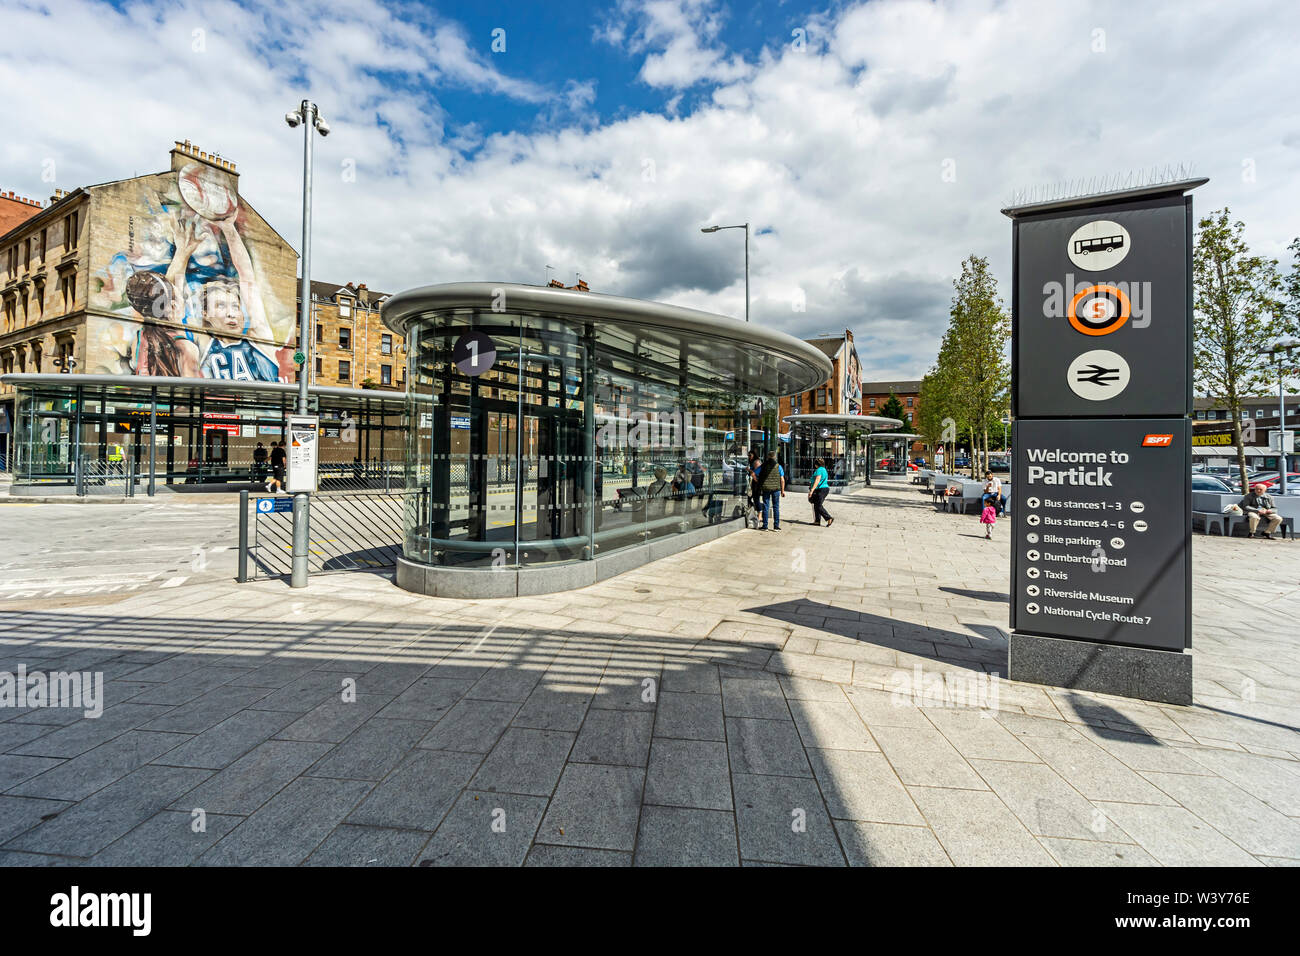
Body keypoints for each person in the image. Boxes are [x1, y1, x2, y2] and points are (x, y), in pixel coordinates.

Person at [755, 450, 785, 530]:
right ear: (775, 457)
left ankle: (765, 526)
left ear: (768, 456)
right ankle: (776, 526)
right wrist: (782, 491)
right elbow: (782, 479)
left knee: (766, 506)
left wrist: (758, 481)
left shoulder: (763, 465)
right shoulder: (778, 466)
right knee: (776, 507)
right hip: (776, 489)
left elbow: (755, 473)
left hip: (766, 488)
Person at [809, 456, 834, 527]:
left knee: (818, 506)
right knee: (816, 505)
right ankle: (817, 520)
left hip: (821, 489)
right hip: (822, 489)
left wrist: (812, 490)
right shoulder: (824, 469)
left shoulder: (819, 470)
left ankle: (829, 518)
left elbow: (817, 480)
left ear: (816, 464)